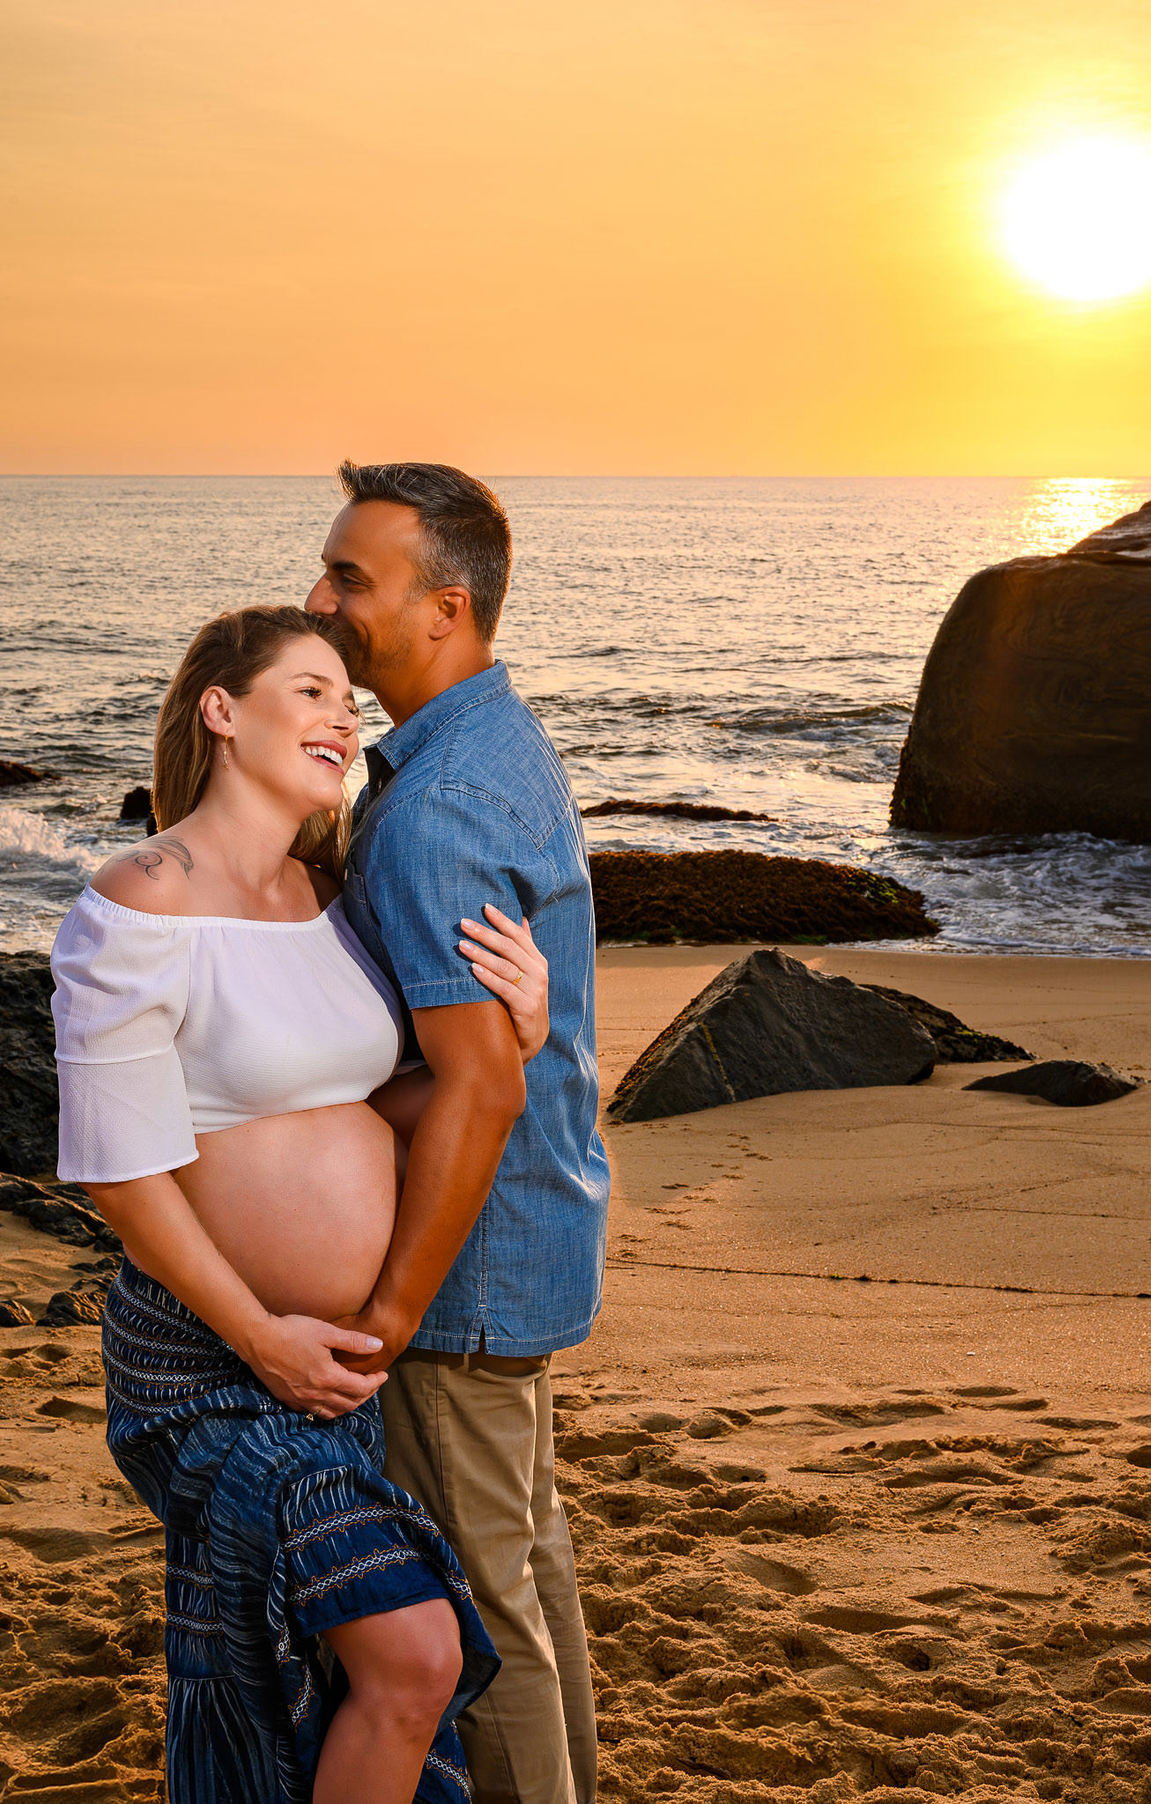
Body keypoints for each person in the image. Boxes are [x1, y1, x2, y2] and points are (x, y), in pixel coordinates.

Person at [50, 604, 552, 1804]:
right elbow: (122, 1173)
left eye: (349, 700)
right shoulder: (137, 901)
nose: (343, 719)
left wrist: (512, 1041)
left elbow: (378, 1111)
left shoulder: (329, 893)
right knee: (414, 1649)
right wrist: (257, 1335)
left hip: (325, 1368)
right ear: (223, 711)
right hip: (211, 1363)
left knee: (320, 1678)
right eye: (311, 692)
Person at [305, 461, 610, 1804]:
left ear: (444, 607)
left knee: (490, 1622)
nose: (320, 601)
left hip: (468, 1273)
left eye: (350, 579)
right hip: (537, 1231)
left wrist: (389, 1313)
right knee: (529, 1563)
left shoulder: (432, 810)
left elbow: (477, 1087)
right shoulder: (493, 744)